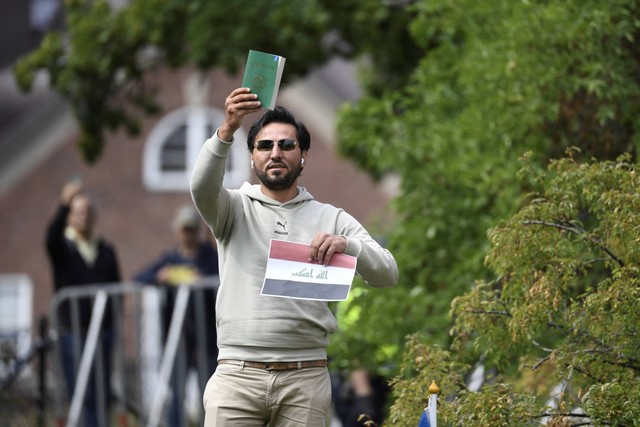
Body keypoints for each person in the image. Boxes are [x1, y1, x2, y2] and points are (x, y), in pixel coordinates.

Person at [190, 87, 399, 427]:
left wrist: (349, 245)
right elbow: (200, 188)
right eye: (265, 145)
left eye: (287, 145)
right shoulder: (232, 207)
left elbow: (387, 273)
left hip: (306, 378)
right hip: (237, 377)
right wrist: (226, 130)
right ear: (252, 155)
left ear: (303, 156)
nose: (276, 152)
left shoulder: (331, 218)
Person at [133, 204, 219, 427]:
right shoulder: (170, 258)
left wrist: (204, 278)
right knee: (176, 395)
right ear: (176, 231)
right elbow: (139, 278)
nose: (187, 234)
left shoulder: (210, 257)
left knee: (209, 395)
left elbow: (222, 277)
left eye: (191, 229)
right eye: (183, 229)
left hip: (207, 340)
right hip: (177, 338)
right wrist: (160, 277)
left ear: (198, 230)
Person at [45, 179, 121, 427]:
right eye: (78, 212)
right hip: (73, 333)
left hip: (102, 333)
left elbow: (116, 287)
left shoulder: (106, 249)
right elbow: (50, 239)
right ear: (69, 216)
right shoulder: (63, 248)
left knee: (101, 396)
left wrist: (112, 322)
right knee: (81, 394)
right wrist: (64, 203)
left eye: (88, 212)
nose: (83, 216)